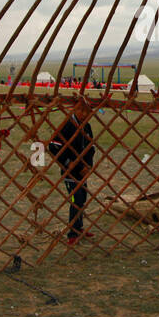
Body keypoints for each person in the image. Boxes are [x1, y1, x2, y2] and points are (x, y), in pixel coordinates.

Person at [47, 101, 96, 243]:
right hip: (70, 173)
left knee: (82, 199)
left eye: (87, 112)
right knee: (75, 201)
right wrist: (68, 163)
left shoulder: (87, 126)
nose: (84, 115)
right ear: (75, 109)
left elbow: (90, 149)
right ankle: (72, 234)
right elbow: (53, 146)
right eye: (81, 111)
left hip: (82, 173)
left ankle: (79, 228)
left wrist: (88, 165)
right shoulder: (67, 126)